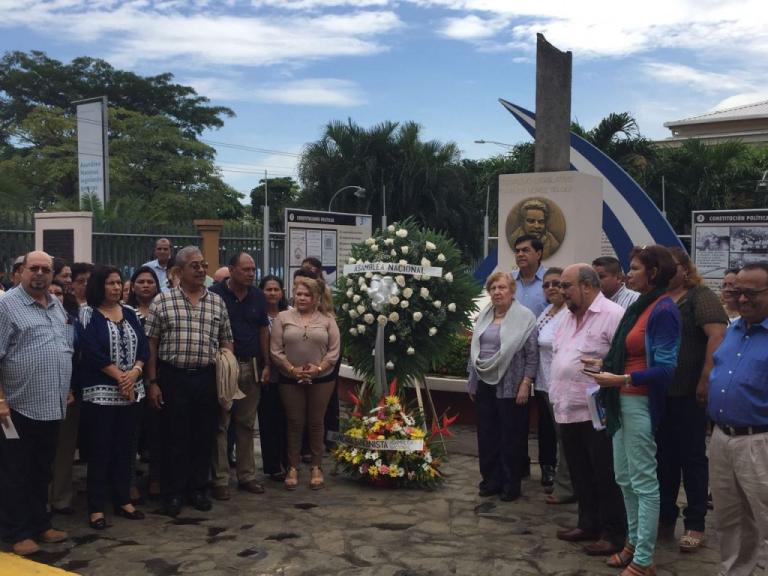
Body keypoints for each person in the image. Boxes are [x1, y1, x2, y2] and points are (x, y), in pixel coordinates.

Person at [592, 245, 682, 575]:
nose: (629, 274)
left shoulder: (663, 310)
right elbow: (626, 353)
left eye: (634, 269)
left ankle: (644, 558)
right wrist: (603, 366)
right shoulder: (638, 307)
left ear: (654, 272)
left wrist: (622, 377)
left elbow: (666, 369)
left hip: (638, 401)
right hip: (620, 401)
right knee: (624, 478)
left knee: (643, 481)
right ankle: (632, 542)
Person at [145, 246, 234, 517]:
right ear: (178, 271)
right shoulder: (163, 301)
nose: (201, 270)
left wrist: (227, 368)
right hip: (173, 378)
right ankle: (173, 494)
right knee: (174, 437)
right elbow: (151, 343)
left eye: (203, 265)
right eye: (194, 266)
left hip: (205, 378)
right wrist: (152, 382)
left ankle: (198, 489)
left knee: (203, 436)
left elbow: (226, 338)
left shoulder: (217, 302)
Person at [549, 264, 627, 556]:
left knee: (604, 473)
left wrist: (603, 368)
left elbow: (622, 361)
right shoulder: (566, 318)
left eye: (566, 285)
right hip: (567, 408)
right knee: (580, 471)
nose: (561, 291)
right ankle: (588, 523)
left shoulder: (613, 315)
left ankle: (613, 533)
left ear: (586, 285)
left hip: (597, 412)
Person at [0, 251, 74, 556]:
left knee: (42, 470)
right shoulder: (6, 307)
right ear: (21, 271)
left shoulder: (56, 306)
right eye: (34, 269)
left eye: (46, 269)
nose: (40, 274)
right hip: (17, 407)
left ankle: (40, 523)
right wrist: (1, 399)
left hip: (52, 406)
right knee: (15, 471)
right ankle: (16, 531)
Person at [656, 248, 727, 551]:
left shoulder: (700, 296)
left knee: (693, 459)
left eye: (672, 267)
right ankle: (664, 517)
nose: (666, 273)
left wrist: (705, 378)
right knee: (663, 459)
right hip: (662, 393)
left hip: (689, 392)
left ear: (685, 268)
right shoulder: (657, 297)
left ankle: (695, 522)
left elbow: (717, 334)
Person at [708, 262, 768, 576]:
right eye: (737, 291)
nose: (742, 299)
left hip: (759, 441)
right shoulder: (733, 329)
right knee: (730, 519)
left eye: (751, 293)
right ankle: (734, 572)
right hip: (721, 438)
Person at [77, 266, 149, 530]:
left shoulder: (130, 313)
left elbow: (143, 347)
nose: (116, 288)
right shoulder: (88, 314)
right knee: (100, 450)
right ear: (99, 285)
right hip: (101, 395)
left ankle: (123, 499)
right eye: (110, 283)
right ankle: (96, 507)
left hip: (131, 393)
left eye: (119, 283)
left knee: (125, 449)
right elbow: (91, 350)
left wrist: (135, 373)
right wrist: (120, 377)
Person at [467, 271, 538, 502]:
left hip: (511, 386)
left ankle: (510, 485)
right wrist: (472, 380)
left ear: (512, 290)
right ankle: (490, 481)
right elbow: (475, 350)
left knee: (511, 437)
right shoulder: (484, 316)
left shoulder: (525, 317)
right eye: (493, 288)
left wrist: (526, 383)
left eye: (502, 288)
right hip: (484, 384)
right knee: (487, 436)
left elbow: (532, 355)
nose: (497, 292)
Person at [210, 253, 271, 500]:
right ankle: (220, 479)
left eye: (253, 269)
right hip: (224, 367)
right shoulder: (215, 294)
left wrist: (267, 364)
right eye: (245, 269)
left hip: (251, 365)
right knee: (221, 424)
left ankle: (247, 476)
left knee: (246, 423)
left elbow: (263, 329)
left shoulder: (257, 296)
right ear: (232, 269)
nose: (250, 273)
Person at [270, 276, 340, 491]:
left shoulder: (328, 319)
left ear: (316, 298)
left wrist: (318, 369)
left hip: (322, 379)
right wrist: (292, 369)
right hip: (290, 378)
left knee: (316, 422)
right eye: (298, 294)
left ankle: (316, 467)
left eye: (306, 295)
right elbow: (275, 349)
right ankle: (292, 466)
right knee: (294, 422)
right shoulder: (283, 317)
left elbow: (334, 350)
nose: (301, 298)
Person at [50, 261, 93, 517]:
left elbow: (76, 355)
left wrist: (72, 387)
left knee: (65, 449)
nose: (54, 296)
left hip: (70, 393)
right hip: (33, 393)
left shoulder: (71, 318)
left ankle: (61, 498)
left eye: (58, 293)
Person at [126, 266, 162, 500]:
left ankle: (157, 479)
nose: (146, 285)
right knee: (131, 435)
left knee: (159, 433)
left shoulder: (163, 309)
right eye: (141, 281)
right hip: (130, 380)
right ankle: (129, 482)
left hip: (159, 378)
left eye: (150, 281)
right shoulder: (126, 312)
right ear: (132, 286)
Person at [534, 267, 567, 494]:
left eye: (557, 283)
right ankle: (549, 470)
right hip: (542, 381)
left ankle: (567, 481)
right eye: (546, 285)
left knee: (564, 435)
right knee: (546, 429)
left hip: (561, 383)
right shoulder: (546, 311)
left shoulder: (569, 312)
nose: (551, 288)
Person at [258, 275, 289, 480]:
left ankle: (288, 462)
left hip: (288, 375)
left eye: (276, 289)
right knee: (268, 420)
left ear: (282, 292)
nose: (272, 293)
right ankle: (271, 465)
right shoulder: (258, 316)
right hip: (265, 376)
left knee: (287, 421)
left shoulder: (290, 315)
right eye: (268, 289)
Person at [512, 235, 548, 318]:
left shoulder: (551, 281)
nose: (520, 254)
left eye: (525, 250)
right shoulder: (508, 280)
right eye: (517, 251)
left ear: (538, 254)